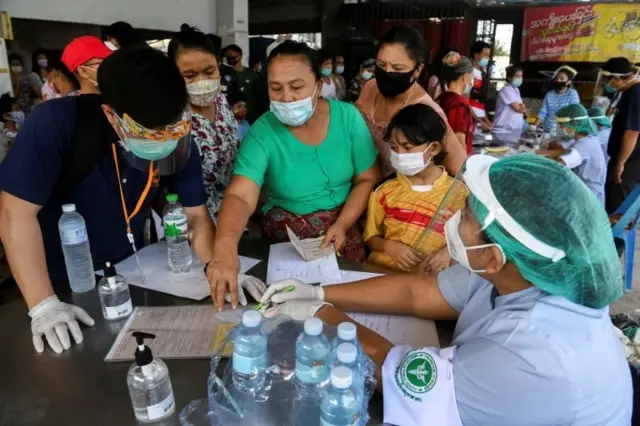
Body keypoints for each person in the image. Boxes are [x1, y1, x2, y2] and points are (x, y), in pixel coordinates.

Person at [260, 154, 632, 426]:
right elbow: (418, 293)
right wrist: (320, 292)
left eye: (468, 214)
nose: (454, 219)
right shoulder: (520, 270)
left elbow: (403, 379)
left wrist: (322, 319)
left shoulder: (533, 357)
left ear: (494, 255)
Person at [0, 46, 259, 355]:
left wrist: (216, 265)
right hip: (61, 282)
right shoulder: (57, 123)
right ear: (112, 114)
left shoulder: (179, 138)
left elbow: (195, 216)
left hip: (132, 274)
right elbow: (15, 214)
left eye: (172, 126)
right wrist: (44, 304)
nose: (164, 137)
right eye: (150, 132)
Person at [206, 40, 381, 310]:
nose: (286, 97)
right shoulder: (263, 132)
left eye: (297, 87)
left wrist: (343, 224)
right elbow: (241, 194)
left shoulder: (347, 118)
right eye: (276, 88)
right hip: (287, 241)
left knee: (346, 305)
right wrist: (225, 248)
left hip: (343, 229)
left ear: (319, 86)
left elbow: (367, 178)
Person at [364, 104, 466, 272]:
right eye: (394, 147)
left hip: (431, 283)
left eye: (408, 147)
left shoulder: (459, 193)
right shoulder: (384, 192)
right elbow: (371, 237)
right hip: (384, 275)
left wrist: (448, 252)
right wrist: (389, 247)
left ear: (434, 148)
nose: (399, 154)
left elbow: (470, 238)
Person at [356, 26, 466, 178]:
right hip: (361, 184)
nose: (387, 72)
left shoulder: (426, 110)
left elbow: (459, 168)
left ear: (417, 70)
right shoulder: (370, 88)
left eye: (397, 67)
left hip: (399, 196)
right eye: (381, 65)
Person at [168, 27, 240, 220]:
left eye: (209, 71)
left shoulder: (222, 101)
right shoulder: (171, 119)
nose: (202, 81)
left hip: (234, 215)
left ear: (218, 64)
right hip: (194, 223)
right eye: (190, 75)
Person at [599, 57, 640, 214]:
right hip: (628, 161)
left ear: (616, 78)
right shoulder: (628, 92)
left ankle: (612, 238)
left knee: (616, 210)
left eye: (606, 80)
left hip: (629, 164)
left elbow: (632, 132)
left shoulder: (635, 93)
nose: (606, 84)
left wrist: (620, 163)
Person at [553, 104, 607, 204]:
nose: (560, 128)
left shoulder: (585, 145)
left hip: (587, 197)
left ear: (575, 124)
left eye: (562, 125)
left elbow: (559, 165)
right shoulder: (587, 138)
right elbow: (565, 153)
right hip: (582, 189)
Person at [438, 52, 474, 155]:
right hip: (455, 163)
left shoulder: (442, 98)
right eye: (471, 76)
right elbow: (458, 140)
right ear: (466, 76)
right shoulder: (460, 104)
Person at [536, 65, 580, 132]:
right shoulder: (549, 94)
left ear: (568, 82)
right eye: (557, 78)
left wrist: (566, 131)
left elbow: (574, 113)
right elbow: (543, 112)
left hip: (564, 131)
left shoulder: (572, 94)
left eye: (562, 79)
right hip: (547, 130)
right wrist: (534, 126)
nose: (558, 80)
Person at [492, 65, 526, 131]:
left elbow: (523, 110)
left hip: (513, 128)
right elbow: (519, 109)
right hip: (503, 127)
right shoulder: (506, 89)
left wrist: (522, 108)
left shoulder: (516, 90)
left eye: (521, 76)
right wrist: (522, 107)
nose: (520, 78)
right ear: (509, 78)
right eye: (517, 76)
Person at [469, 41, 492, 130]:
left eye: (488, 55)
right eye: (485, 55)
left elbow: (480, 102)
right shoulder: (469, 73)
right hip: (471, 120)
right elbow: (465, 99)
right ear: (476, 55)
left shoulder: (482, 73)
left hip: (480, 119)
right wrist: (478, 121)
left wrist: (486, 119)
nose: (488, 58)